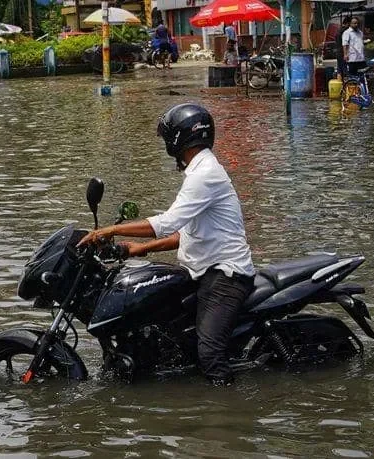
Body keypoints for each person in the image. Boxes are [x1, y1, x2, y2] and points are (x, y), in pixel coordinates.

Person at [78, 103, 255, 386]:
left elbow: (167, 223)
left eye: (167, 137)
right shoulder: (199, 171)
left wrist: (109, 230)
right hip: (203, 271)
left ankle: (226, 405)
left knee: (209, 354)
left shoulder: (204, 175)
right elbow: (183, 234)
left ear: (180, 138)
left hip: (226, 276)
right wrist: (134, 248)